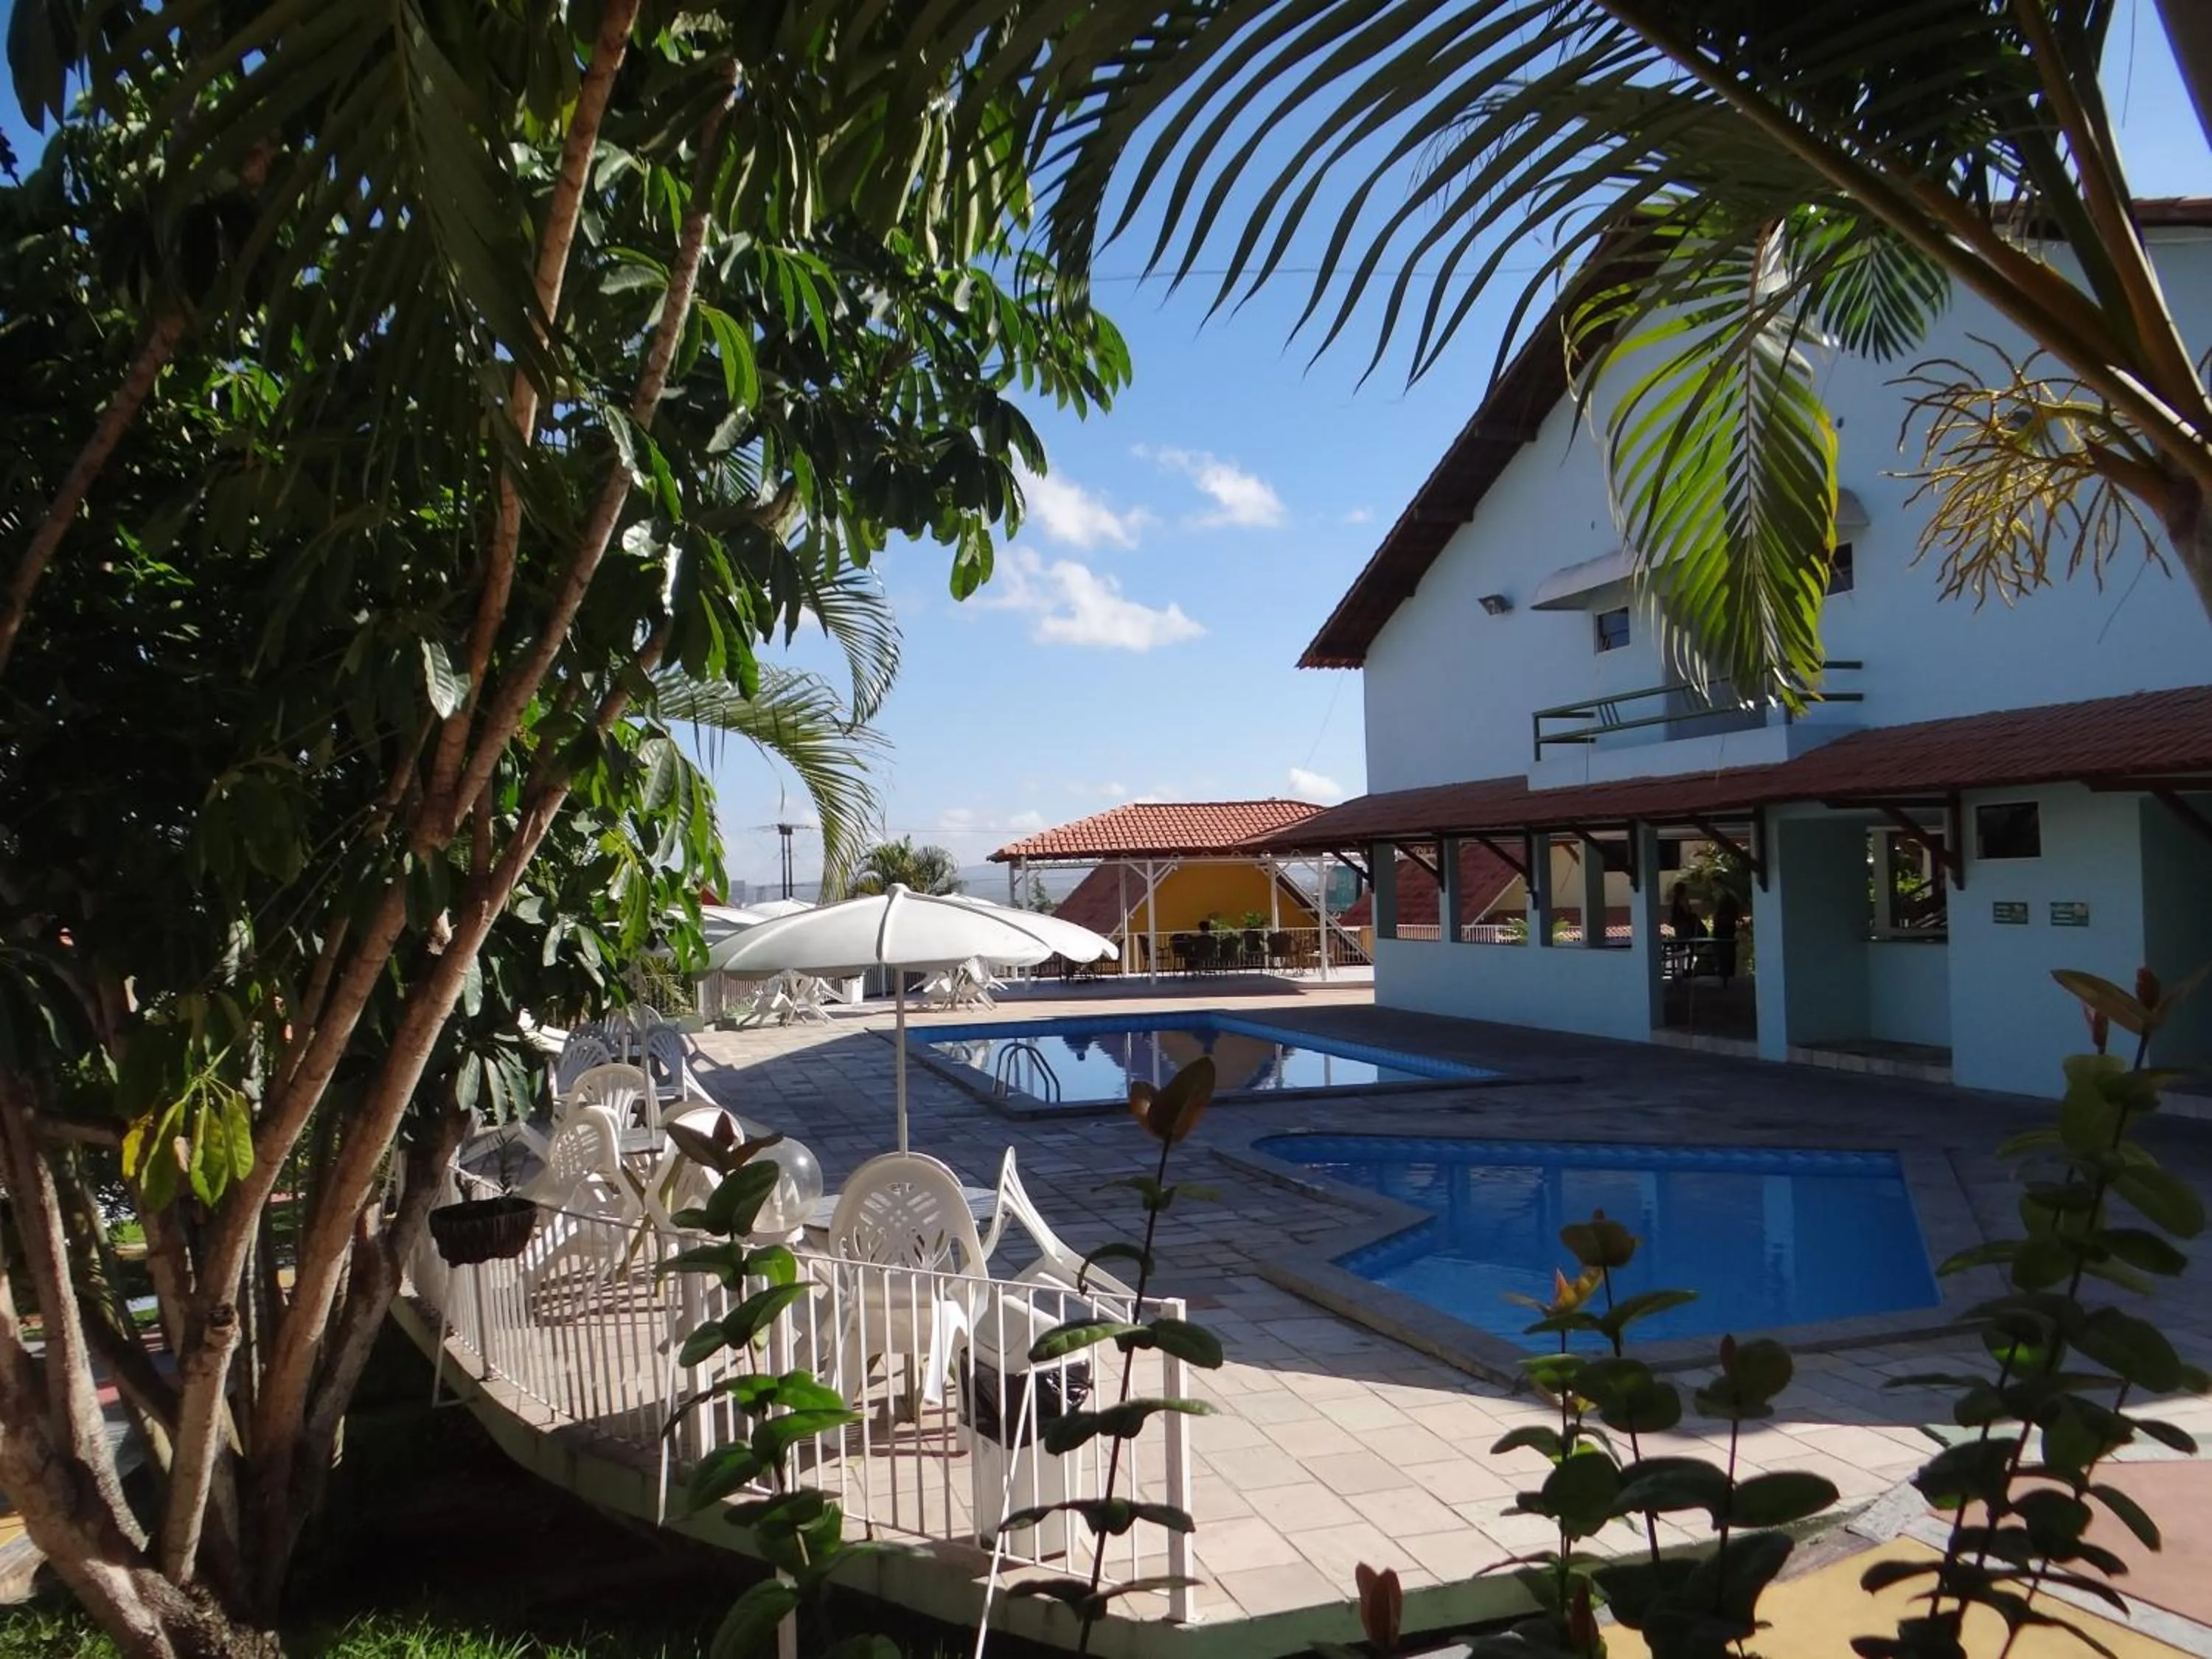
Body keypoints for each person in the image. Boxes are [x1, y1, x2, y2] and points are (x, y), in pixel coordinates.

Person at [1713, 890, 1743, 987]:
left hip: (1721, 938)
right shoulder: (1730, 915)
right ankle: (1728, 977)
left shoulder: (1720, 916)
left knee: (1723, 959)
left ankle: (1724, 976)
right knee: (1729, 958)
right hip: (1728, 939)